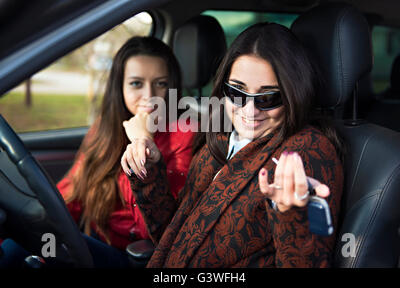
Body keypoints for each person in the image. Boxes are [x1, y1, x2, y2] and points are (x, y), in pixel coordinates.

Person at [121, 22, 344, 268]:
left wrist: (292, 217)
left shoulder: (306, 151)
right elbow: (172, 237)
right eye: (237, 92)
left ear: (294, 94)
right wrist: (150, 173)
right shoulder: (218, 144)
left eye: (268, 97)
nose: (250, 111)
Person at [0, 36, 195, 268]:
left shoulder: (184, 133)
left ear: (171, 87)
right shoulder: (106, 128)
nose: (150, 95)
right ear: (120, 86)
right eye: (136, 84)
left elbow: (152, 229)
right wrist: (40, 224)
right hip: (94, 243)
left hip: (135, 259)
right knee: (17, 245)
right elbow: (72, 193)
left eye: (160, 83)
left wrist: (142, 142)